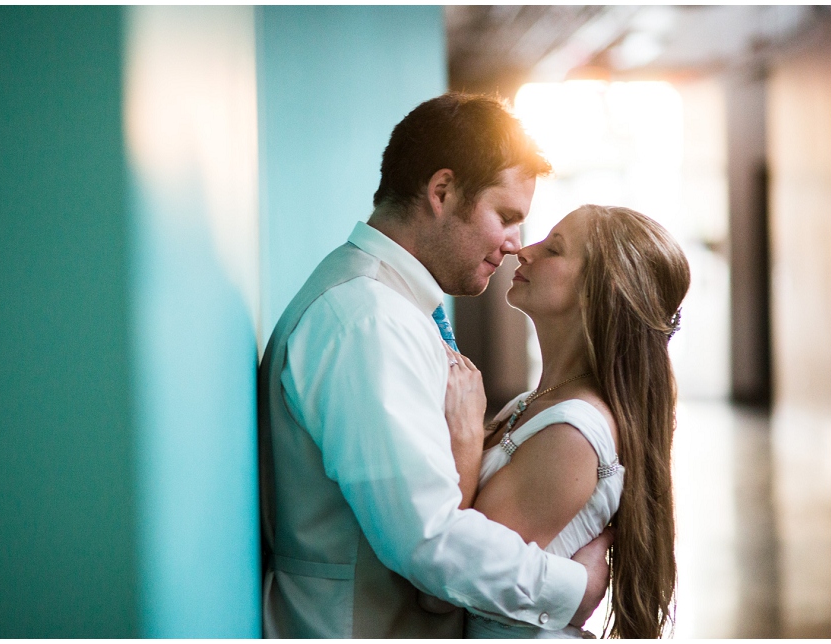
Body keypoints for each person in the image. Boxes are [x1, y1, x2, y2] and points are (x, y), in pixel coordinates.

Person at [258, 92, 612, 638]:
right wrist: (572, 589)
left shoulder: (389, 308)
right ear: (442, 191)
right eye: (507, 216)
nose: (516, 245)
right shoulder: (368, 321)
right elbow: (427, 537)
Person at [443, 204, 690, 638]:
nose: (524, 250)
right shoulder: (536, 401)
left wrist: (465, 441)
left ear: (597, 293)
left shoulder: (572, 434)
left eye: (553, 249)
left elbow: (449, 576)